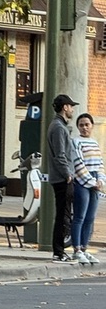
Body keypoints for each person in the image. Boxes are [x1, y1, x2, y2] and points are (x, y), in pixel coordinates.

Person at [48, 94, 78, 263]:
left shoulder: (59, 125)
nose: (72, 109)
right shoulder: (59, 127)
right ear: (65, 107)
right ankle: (58, 252)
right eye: (71, 106)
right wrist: (67, 174)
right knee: (63, 215)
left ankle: (59, 251)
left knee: (63, 214)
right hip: (62, 178)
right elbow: (60, 155)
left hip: (61, 176)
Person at [71, 113, 103, 265]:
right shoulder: (76, 142)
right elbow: (78, 164)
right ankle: (76, 250)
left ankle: (84, 248)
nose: (84, 127)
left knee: (90, 218)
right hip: (82, 182)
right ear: (78, 127)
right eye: (81, 125)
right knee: (79, 217)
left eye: (87, 124)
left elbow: (100, 164)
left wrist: (101, 180)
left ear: (92, 126)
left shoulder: (95, 143)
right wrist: (91, 181)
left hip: (95, 182)